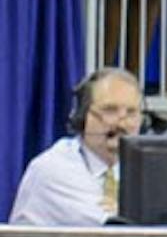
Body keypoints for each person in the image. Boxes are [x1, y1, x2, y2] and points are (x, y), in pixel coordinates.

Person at [9, 68, 143, 226]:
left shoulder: (139, 169)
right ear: (81, 117)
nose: (123, 123)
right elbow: (116, 226)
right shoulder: (53, 168)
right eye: (110, 110)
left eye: (131, 113)